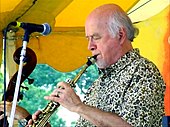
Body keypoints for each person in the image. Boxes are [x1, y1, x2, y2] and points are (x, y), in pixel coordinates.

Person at [27, 3, 166, 127]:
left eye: (96, 37)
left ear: (120, 35)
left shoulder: (143, 72)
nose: (90, 46)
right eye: (88, 39)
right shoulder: (98, 83)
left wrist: (78, 107)